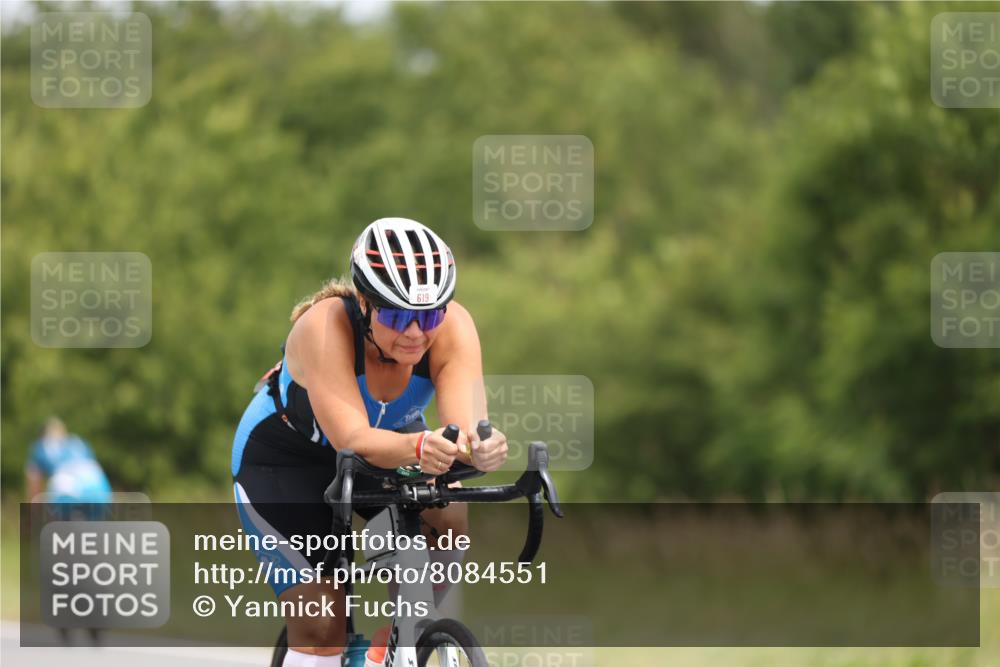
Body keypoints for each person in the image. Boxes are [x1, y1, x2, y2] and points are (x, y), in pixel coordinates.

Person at [231, 217, 508, 667]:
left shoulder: (454, 328)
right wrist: (421, 448)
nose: (415, 332)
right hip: (286, 461)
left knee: (449, 507)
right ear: (364, 303)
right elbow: (353, 439)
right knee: (322, 626)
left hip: (385, 448)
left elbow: (465, 430)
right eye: (397, 316)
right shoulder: (324, 327)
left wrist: (481, 447)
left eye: (429, 316)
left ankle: (400, 638)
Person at [25, 416, 112, 646]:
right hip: (98, 494)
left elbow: (34, 485)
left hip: (68, 497)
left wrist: (31, 519)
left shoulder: (41, 448)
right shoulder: (79, 443)